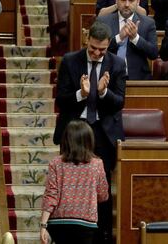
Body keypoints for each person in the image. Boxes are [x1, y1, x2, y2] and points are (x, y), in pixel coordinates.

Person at [53, 21, 126, 244]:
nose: (96, 53)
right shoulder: (70, 61)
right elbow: (61, 101)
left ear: (108, 46)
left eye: (101, 50)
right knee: (71, 186)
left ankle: (101, 235)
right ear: (87, 41)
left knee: (101, 190)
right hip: (75, 131)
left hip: (103, 133)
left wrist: (103, 92)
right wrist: (81, 94)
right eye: (93, 48)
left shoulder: (117, 63)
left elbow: (119, 103)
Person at [41, 120, 109, 244]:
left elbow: (51, 196)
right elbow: (103, 195)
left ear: (66, 140)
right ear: (89, 140)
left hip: (58, 224)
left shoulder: (55, 163)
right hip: (86, 224)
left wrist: (43, 225)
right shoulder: (97, 164)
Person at [96, 0, 158, 80]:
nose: (127, 4)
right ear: (116, 0)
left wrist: (135, 38)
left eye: (131, 1)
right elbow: (97, 50)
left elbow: (153, 54)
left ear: (138, 2)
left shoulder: (148, 23)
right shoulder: (104, 21)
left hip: (138, 78)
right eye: (123, 0)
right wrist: (119, 38)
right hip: (108, 77)